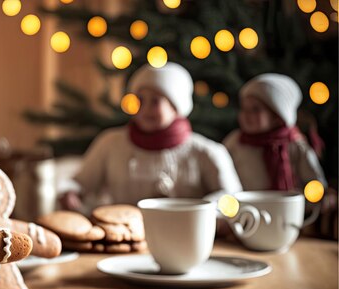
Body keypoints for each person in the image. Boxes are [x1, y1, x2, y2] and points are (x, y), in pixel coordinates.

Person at [60, 62, 241, 212]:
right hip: (127, 239)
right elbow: (80, 182)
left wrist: (201, 211)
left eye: (155, 101)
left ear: (175, 107)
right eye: (140, 101)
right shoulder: (110, 143)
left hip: (185, 241)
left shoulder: (206, 151)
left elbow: (231, 197)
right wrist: (71, 193)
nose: (145, 109)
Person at [223, 73, 327, 191]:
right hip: (246, 206)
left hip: (286, 205)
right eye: (244, 109)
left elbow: (314, 182)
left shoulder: (294, 143)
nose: (246, 115)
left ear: (277, 116)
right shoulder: (235, 141)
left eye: (255, 109)